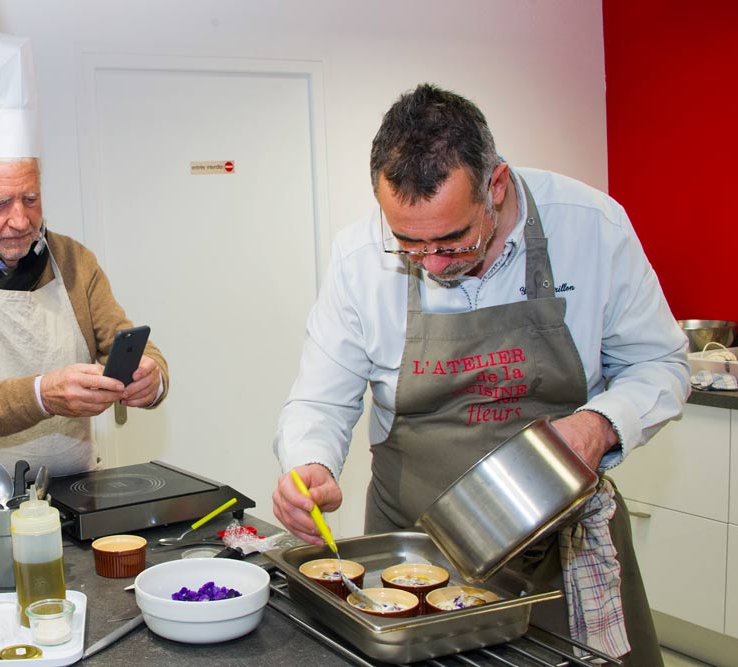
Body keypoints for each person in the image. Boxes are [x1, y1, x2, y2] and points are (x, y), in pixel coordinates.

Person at [271, 84, 687, 664]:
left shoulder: (591, 227)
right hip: (414, 555)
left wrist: (598, 426)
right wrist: (309, 464)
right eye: (409, 246)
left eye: (451, 239)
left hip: (558, 548)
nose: (434, 264)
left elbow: (660, 363)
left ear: (495, 185)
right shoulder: (357, 257)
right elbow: (320, 398)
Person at [0, 32, 167, 479]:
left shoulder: (74, 261)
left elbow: (130, 342)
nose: (21, 220)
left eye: (32, 198)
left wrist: (152, 379)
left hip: (75, 490)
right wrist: (41, 395)